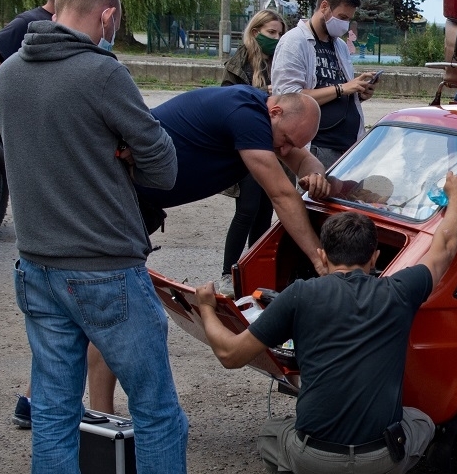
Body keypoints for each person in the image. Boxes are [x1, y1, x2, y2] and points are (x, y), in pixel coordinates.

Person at [0, 0, 232, 474]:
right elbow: (164, 167)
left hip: (37, 265)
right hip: (104, 268)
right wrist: (122, 153)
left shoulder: (10, 72)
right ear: (105, 16)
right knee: (155, 406)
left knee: (53, 410)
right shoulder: (103, 74)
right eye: (116, 22)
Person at [192, 175, 457, 474]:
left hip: (315, 460)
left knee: (270, 435)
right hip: (381, 459)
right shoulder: (400, 291)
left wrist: (206, 308)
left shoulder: (300, 295)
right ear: (375, 257)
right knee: (421, 422)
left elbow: (230, 354)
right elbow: (445, 246)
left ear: (323, 256)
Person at [84, 85, 334, 414]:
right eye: (285, 139)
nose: (284, 150)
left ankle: (38, 403)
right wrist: (319, 259)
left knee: (93, 304)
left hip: (127, 202)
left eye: (292, 144)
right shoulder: (247, 115)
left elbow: (302, 159)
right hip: (115, 199)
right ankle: (101, 418)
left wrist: (315, 174)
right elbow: (281, 195)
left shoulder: (263, 118)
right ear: (275, 112)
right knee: (114, 307)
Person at [271, 0, 378, 169]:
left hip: (347, 147)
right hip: (318, 148)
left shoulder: (339, 46)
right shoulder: (294, 42)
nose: (345, 25)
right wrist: (342, 88)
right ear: (324, 6)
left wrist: (358, 93)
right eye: (342, 17)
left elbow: (338, 92)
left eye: (348, 19)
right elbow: (287, 98)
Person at [220, 9, 288, 294]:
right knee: (247, 209)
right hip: (247, 146)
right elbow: (227, 101)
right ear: (255, 31)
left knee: (264, 212)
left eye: (280, 33)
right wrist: (261, 94)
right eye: (271, 32)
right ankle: (227, 273)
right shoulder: (239, 63)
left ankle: (253, 272)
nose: (276, 38)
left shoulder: (281, 62)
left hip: (273, 146)